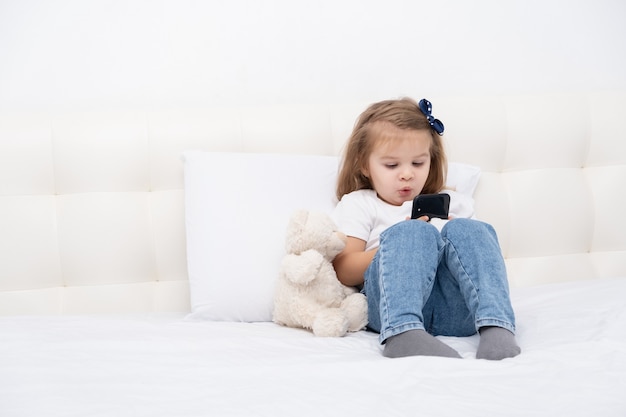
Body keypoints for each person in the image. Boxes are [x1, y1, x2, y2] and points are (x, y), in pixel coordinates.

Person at [332, 97, 521, 360]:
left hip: (456, 312)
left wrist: (452, 242)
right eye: (391, 165)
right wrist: (394, 244)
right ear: (365, 165)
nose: (407, 174)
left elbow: (481, 263)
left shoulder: (454, 201)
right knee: (413, 233)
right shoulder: (361, 204)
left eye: (418, 163)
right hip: (389, 309)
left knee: (471, 230)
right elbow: (344, 270)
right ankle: (403, 334)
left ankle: (497, 325)